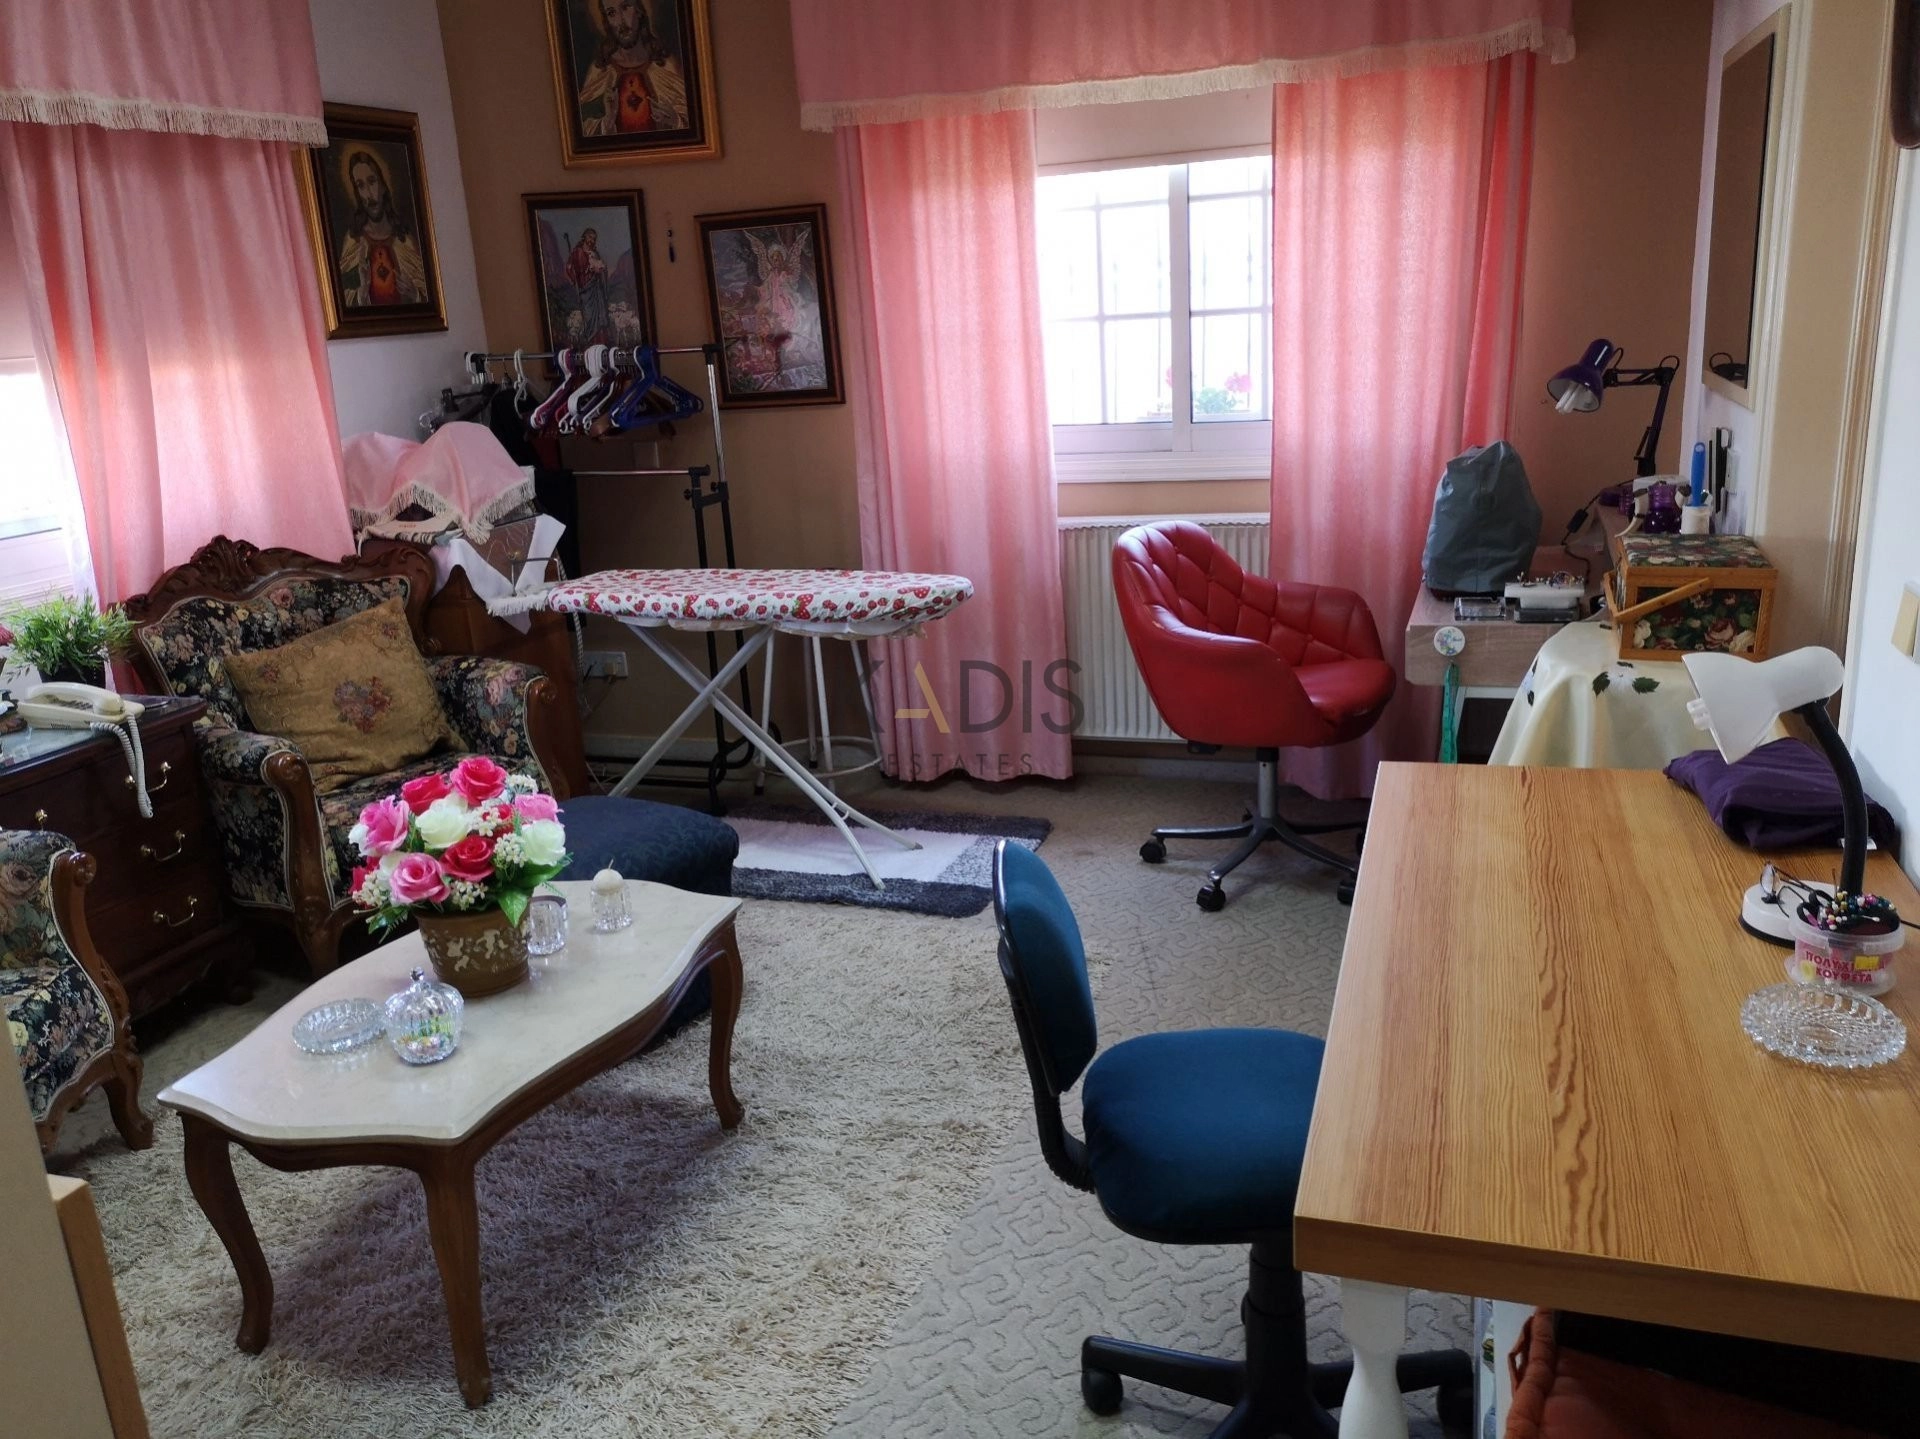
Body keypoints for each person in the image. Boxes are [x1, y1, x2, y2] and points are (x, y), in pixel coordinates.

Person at [578, 0, 689, 135]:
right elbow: (583, 130)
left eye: (625, 7)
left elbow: (694, 122)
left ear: (639, 11)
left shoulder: (665, 65)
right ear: (606, 21)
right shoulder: (600, 71)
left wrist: (675, 120)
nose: (621, 21)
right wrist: (607, 122)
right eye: (611, 13)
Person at [337, 148, 427, 307]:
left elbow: (427, 296)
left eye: (372, 181)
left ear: (383, 185)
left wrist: (414, 293)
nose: (369, 195)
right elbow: (342, 300)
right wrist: (362, 292)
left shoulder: (404, 240)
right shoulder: (354, 241)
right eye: (361, 186)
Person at [563, 228, 611, 342]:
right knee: (589, 317)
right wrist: (577, 278)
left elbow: (602, 269)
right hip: (585, 289)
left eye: (594, 239)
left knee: (600, 317)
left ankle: (601, 342)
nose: (592, 241)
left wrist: (601, 270)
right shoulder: (577, 252)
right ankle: (590, 342)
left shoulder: (595, 253)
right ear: (584, 237)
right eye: (590, 237)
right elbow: (570, 269)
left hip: (596, 288)